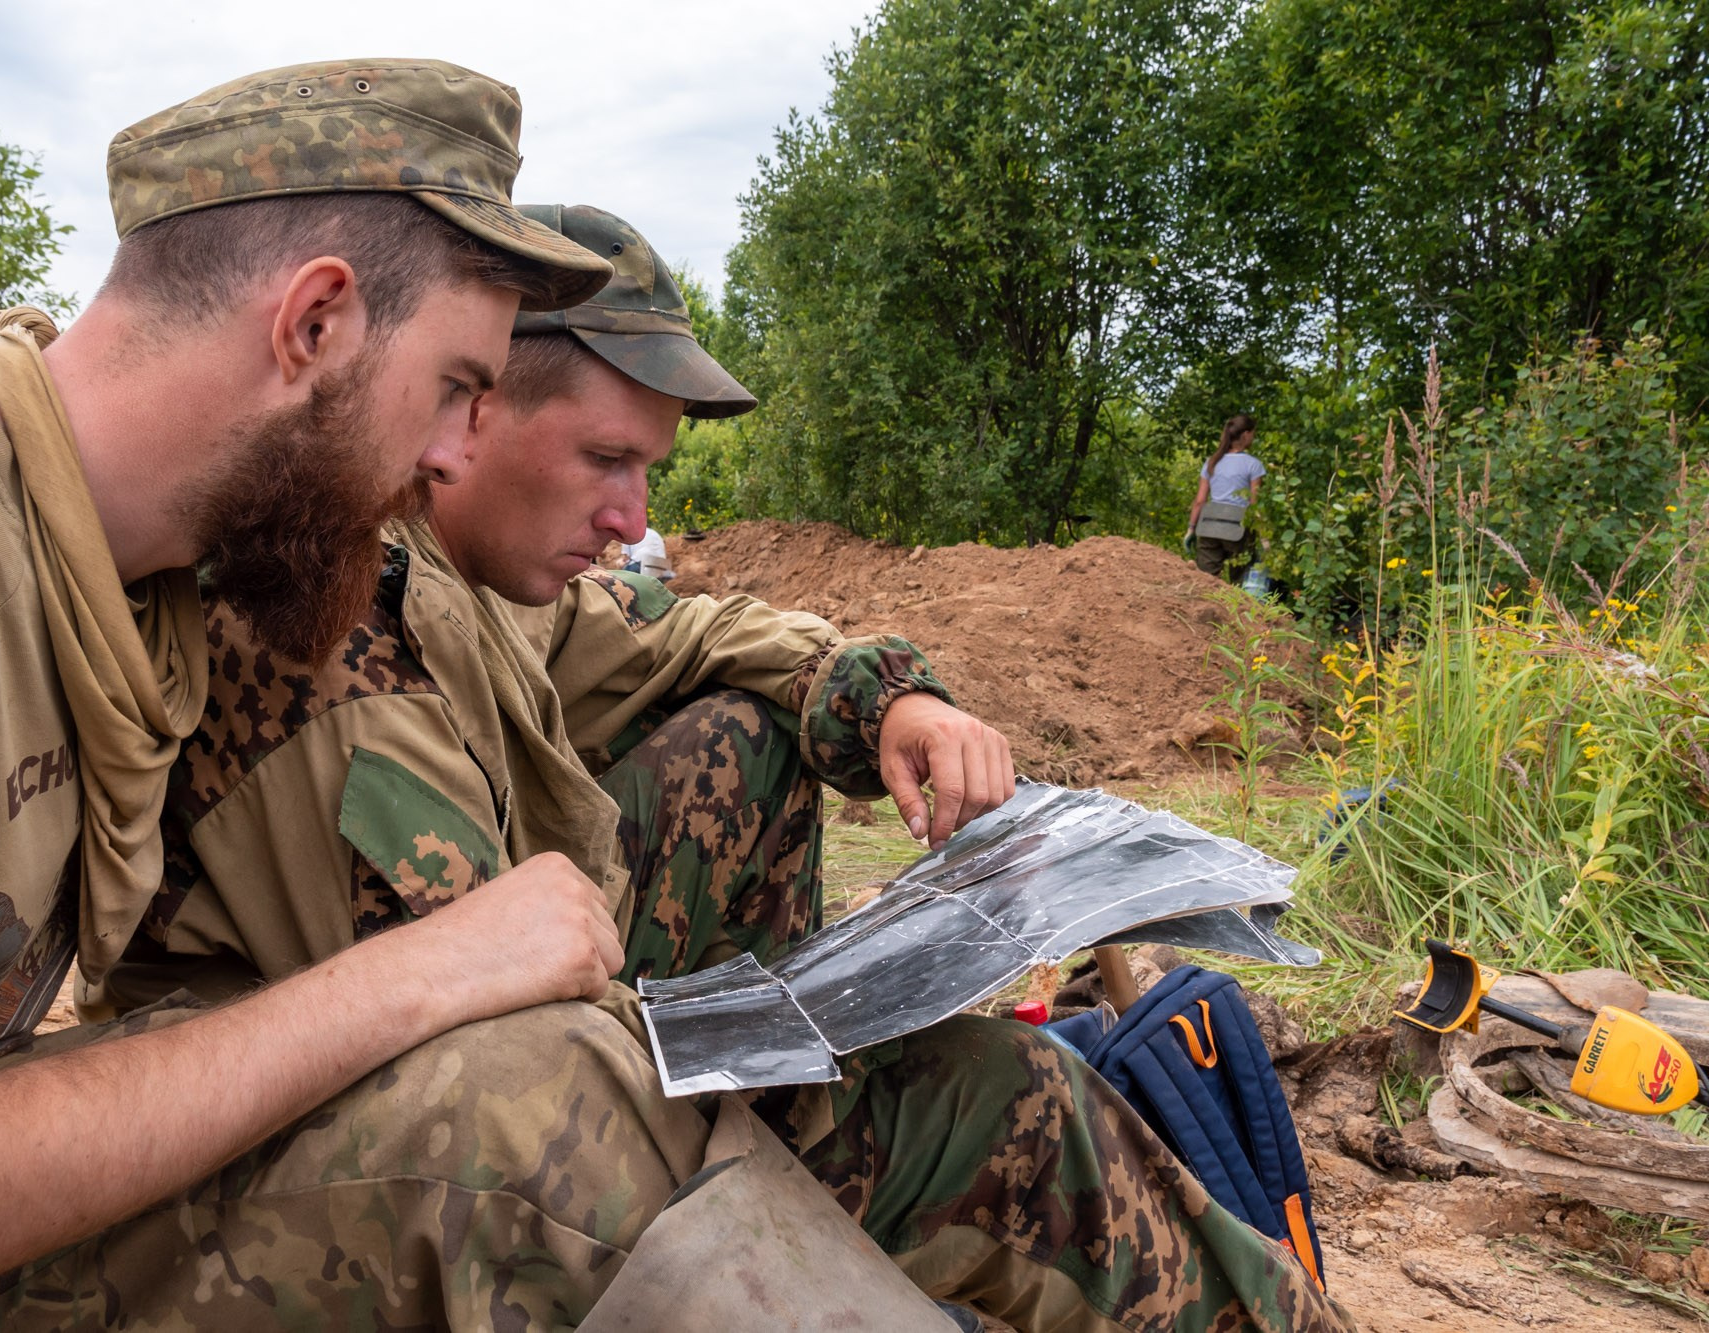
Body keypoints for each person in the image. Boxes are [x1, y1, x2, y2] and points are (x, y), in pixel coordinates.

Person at [120, 205, 1354, 1332]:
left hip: (504, 1094)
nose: (631, 513)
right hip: (379, 1193)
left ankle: (791, 1127)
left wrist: (887, 702)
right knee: (1015, 1110)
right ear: (472, 412)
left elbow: (698, 635)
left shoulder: (466, 581)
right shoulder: (334, 644)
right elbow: (512, 1085)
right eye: (607, 460)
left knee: (749, 730)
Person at [0, 60, 622, 1329]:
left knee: (526, 1094)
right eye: (459, 386)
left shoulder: (147, 589)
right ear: (315, 325)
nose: (456, 454)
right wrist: (426, 968)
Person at [1186, 413, 1265, 579]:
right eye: (1253, 434)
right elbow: (1254, 504)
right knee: (1241, 582)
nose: (1253, 438)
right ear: (1246, 434)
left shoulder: (1211, 462)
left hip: (1210, 523)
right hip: (1238, 524)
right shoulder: (1253, 465)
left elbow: (1200, 501)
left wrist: (1191, 529)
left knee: (1206, 580)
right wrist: (1264, 536)